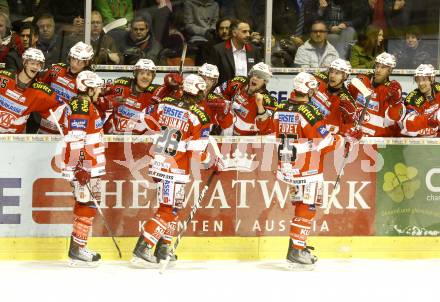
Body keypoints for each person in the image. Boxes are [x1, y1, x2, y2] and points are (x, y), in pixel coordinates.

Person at [255, 72, 360, 268]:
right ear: (308, 89)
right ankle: (297, 249)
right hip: (307, 169)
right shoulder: (308, 111)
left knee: (301, 206)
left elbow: (264, 127)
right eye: (313, 88)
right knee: (308, 208)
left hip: (288, 167)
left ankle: (295, 245)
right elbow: (326, 143)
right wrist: (345, 138)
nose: (314, 92)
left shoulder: (280, 107)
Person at [131, 74, 211, 266]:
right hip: (175, 170)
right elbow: (198, 152)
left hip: (159, 164)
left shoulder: (164, 103)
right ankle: (144, 246)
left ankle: (163, 247)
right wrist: (211, 161)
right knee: (168, 209)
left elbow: (143, 119)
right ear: (197, 92)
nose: (203, 95)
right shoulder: (199, 116)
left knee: (174, 207)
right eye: (202, 91)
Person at [61, 70, 106, 266]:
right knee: (85, 205)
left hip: (90, 165)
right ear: (87, 88)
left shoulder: (87, 104)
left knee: (86, 204)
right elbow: (76, 137)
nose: (99, 91)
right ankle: (78, 249)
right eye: (96, 88)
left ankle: (77, 248)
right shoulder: (80, 104)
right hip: (85, 165)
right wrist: (80, 166)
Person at [0, 48, 63, 134]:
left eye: (38, 64)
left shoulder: (40, 91)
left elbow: (60, 108)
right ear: (24, 63)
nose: (35, 67)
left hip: (14, 140)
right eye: (32, 63)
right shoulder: (4, 77)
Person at [38, 41, 94, 134]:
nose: (76, 63)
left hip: (68, 129)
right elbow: (41, 88)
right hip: (46, 123)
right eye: (74, 59)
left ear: (87, 62)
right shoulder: (56, 69)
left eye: (81, 61)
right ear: (69, 57)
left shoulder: (87, 82)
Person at [348, 52, 403, 137]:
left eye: (383, 67)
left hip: (377, 140)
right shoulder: (362, 80)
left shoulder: (391, 90)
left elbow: (394, 118)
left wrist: (396, 101)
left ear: (390, 70)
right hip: (355, 136)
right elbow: (347, 103)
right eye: (377, 66)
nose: (378, 70)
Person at [215, 62, 277, 135]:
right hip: (224, 131)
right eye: (254, 74)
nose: (254, 78)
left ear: (265, 82)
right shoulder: (240, 82)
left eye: (259, 77)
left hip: (247, 140)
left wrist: (260, 106)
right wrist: (223, 104)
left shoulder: (268, 100)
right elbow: (217, 92)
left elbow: (265, 129)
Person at [100, 59, 159, 134]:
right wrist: (109, 100)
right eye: (142, 73)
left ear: (153, 77)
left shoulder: (155, 92)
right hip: (110, 134)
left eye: (148, 74)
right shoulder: (122, 84)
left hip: (135, 141)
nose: (145, 77)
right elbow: (100, 92)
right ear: (135, 74)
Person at [208, 19, 262, 85]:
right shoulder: (218, 50)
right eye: (244, 32)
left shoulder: (254, 50)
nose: (248, 35)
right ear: (234, 33)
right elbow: (211, 76)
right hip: (224, 93)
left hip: (248, 93)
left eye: (249, 32)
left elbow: (260, 76)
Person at [312, 58, 358, 134]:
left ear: (345, 76)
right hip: (308, 128)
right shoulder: (318, 79)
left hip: (324, 136)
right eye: (331, 71)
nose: (332, 76)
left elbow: (351, 127)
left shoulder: (346, 100)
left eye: (337, 73)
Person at [400, 64, 440, 137]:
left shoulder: (438, 88)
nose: (420, 83)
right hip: (419, 141)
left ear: (432, 79)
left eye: (424, 79)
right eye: (418, 80)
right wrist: (430, 119)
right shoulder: (412, 98)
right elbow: (408, 124)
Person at [197, 63, 233, 134]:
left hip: (205, 137)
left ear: (214, 82)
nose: (206, 82)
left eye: (210, 80)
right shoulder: (187, 94)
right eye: (203, 78)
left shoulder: (217, 99)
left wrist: (223, 114)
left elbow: (227, 125)